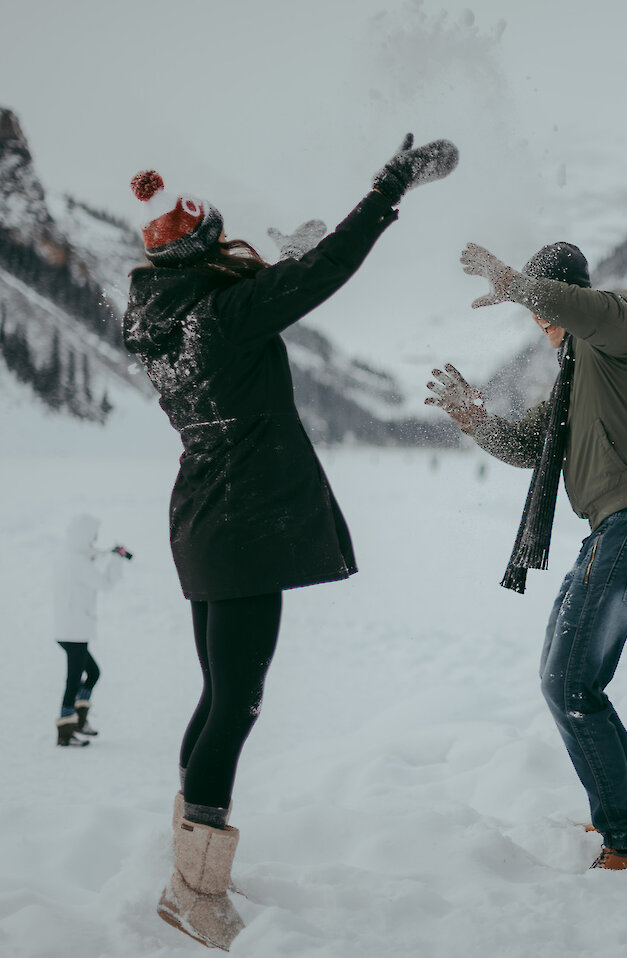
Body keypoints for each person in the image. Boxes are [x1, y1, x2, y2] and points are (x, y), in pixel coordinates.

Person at [123, 133, 457, 949]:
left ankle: (188, 859)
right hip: (241, 526)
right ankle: (193, 889)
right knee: (235, 703)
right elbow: (325, 274)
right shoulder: (222, 314)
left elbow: (260, 294)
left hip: (204, 521)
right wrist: (389, 187)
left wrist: (270, 273)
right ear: (202, 245)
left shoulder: (164, 317)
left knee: (216, 699)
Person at [426, 240, 627, 872]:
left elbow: (577, 308)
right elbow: (526, 445)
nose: (542, 321)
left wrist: (518, 282)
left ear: (571, 298)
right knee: (573, 679)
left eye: (548, 305)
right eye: (535, 310)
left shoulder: (617, 326)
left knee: (568, 683)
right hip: (615, 529)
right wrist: (475, 421)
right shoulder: (575, 378)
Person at [52, 514, 131, 747]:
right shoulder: (77, 563)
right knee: (74, 680)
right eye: (92, 536)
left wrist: (107, 552)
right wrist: (116, 559)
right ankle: (66, 732)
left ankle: (77, 722)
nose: (94, 540)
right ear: (84, 536)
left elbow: (89, 556)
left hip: (70, 630)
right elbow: (104, 584)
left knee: (92, 674)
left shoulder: (70, 556)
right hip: (74, 631)